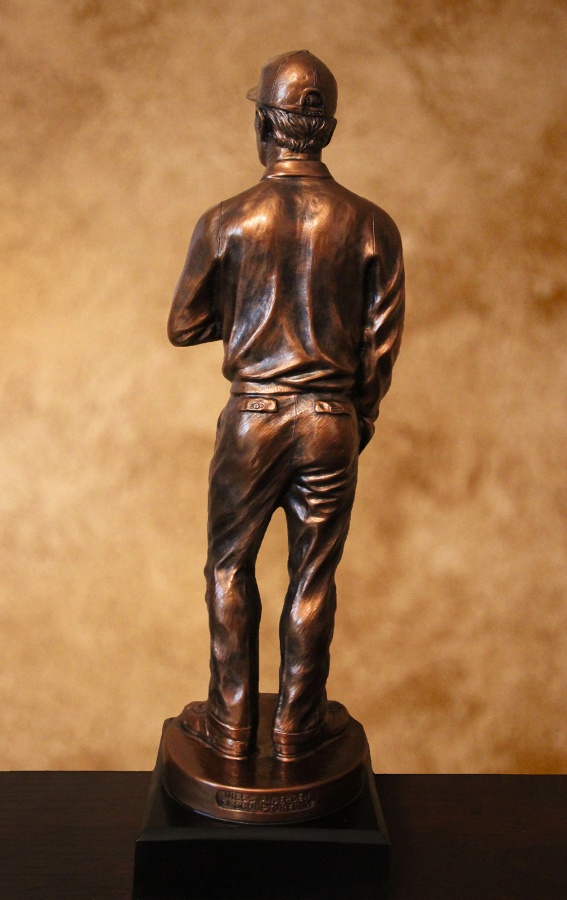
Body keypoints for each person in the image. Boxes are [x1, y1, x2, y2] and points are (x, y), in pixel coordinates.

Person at [168, 50, 405, 762]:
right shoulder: (372, 223)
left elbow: (183, 324)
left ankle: (231, 724)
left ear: (264, 125)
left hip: (253, 418)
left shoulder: (227, 220)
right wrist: (357, 417)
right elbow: (381, 344)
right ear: (325, 128)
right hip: (331, 421)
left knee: (227, 569)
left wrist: (249, 317)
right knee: (313, 575)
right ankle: (298, 728)